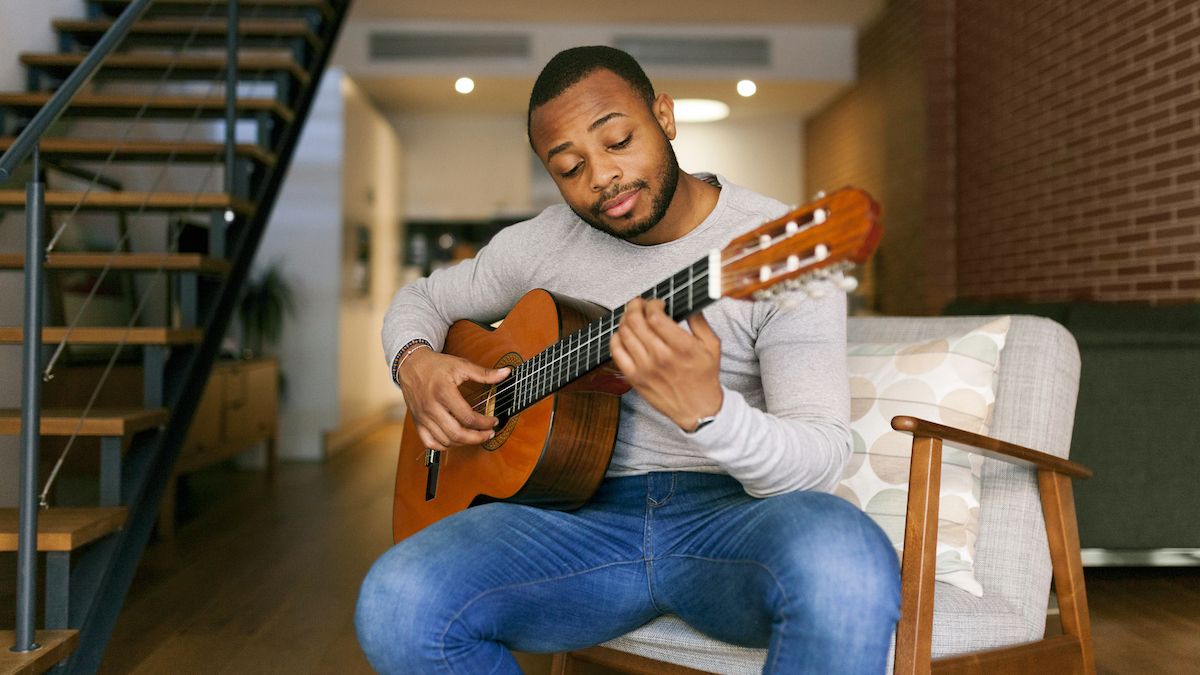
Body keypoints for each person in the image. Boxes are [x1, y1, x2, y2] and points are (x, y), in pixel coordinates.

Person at [356, 45, 900, 674]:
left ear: (664, 117)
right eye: (569, 167)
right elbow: (419, 298)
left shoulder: (775, 242)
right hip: (569, 525)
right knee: (397, 601)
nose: (602, 177)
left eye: (618, 140)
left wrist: (712, 414)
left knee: (848, 559)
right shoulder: (540, 243)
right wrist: (415, 363)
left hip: (729, 525)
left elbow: (818, 459)